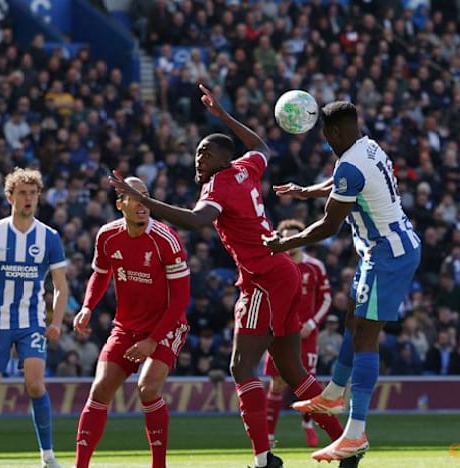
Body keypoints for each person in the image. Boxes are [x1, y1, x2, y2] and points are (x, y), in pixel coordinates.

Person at [110, 84, 348, 468]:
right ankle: (344, 441)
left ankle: (262, 459)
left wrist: (145, 202)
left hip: (264, 279)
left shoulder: (219, 184)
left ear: (224, 157)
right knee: (292, 370)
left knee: (241, 367)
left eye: (206, 151)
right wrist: (222, 116)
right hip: (282, 272)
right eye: (197, 152)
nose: (198, 157)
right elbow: (261, 147)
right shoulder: (245, 168)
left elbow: (196, 221)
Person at [264, 101, 421, 461]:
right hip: (377, 251)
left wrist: (283, 243)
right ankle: (334, 392)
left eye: (324, 135)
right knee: (352, 319)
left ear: (335, 133)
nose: (324, 141)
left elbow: (328, 226)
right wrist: (308, 191)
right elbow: (343, 183)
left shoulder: (350, 164)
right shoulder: (366, 146)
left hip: (390, 255)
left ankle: (355, 433)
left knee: (366, 335)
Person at [72, 177, 191, 468]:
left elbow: (180, 299)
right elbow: (101, 274)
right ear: (120, 204)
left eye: (146, 196)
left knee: (147, 389)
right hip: (125, 327)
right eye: (134, 197)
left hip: (166, 326)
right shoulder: (107, 236)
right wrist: (88, 307)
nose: (142, 203)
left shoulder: (166, 239)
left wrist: (153, 340)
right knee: (100, 390)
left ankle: (158, 465)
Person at [0, 168, 68, 468]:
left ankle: (47, 456)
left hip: (32, 322)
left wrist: (57, 321)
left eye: (33, 193)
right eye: (22, 193)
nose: (28, 198)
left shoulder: (48, 236)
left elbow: (60, 286)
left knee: (35, 384)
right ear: (10, 197)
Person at [263, 219, 333, 449]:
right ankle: (269, 437)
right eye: (286, 237)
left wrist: (312, 324)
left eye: (296, 237)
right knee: (277, 383)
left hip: (306, 333)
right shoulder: (273, 263)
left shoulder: (315, 266)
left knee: (306, 383)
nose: (291, 243)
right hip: (279, 333)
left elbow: (327, 298)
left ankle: (308, 424)